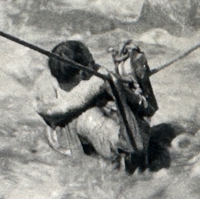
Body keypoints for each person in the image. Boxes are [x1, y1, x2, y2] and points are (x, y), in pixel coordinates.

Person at [34, 40, 154, 168]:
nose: (98, 67)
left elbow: (149, 109)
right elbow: (135, 148)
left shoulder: (50, 80)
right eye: (92, 63)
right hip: (116, 174)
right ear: (82, 73)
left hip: (79, 141)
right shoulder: (90, 119)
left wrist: (124, 81)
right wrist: (119, 93)